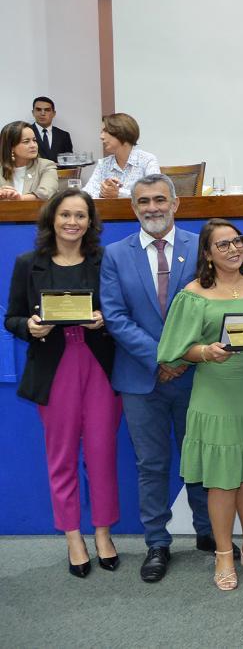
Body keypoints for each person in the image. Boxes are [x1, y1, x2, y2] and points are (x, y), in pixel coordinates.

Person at [100, 174, 223, 583]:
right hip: (141, 379)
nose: (152, 208)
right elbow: (115, 317)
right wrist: (160, 360)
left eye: (159, 200)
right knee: (151, 464)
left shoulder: (200, 247)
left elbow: (216, 307)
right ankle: (157, 541)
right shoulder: (115, 255)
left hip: (196, 376)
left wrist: (183, 359)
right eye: (143, 202)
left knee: (202, 461)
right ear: (133, 208)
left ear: (176, 204)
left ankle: (209, 533)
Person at [157, 218, 243, 591]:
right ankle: (223, 555)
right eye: (223, 245)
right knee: (221, 481)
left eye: (237, 242)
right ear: (207, 254)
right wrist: (204, 351)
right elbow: (174, 350)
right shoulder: (193, 292)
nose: (233, 249)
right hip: (216, 393)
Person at [4, 188, 118, 578]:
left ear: (91, 222)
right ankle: (73, 535)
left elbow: (121, 310)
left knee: (102, 452)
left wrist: (105, 319)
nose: (73, 223)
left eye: (81, 216)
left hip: (99, 363)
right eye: (66, 215)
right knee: (62, 456)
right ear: (52, 219)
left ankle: (103, 532)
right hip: (54, 368)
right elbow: (12, 317)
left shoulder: (106, 260)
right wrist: (31, 327)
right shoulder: (27, 263)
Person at [83, 113, 160, 199]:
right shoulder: (103, 164)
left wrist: (119, 193)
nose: (101, 137)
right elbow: (87, 194)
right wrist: (103, 193)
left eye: (105, 131)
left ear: (122, 132)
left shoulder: (147, 160)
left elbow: (155, 192)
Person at [1, 120, 58, 201]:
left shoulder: (46, 165)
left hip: (36, 212)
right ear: (11, 147)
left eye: (34, 140)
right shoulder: (1, 168)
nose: (33, 145)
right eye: (26, 142)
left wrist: (19, 198)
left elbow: (46, 193)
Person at [31, 96, 74, 164]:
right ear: (33, 112)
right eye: (38, 109)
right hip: (33, 174)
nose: (42, 113)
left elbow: (69, 162)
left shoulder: (64, 136)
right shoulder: (24, 133)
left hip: (58, 174)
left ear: (54, 113)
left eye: (47, 110)